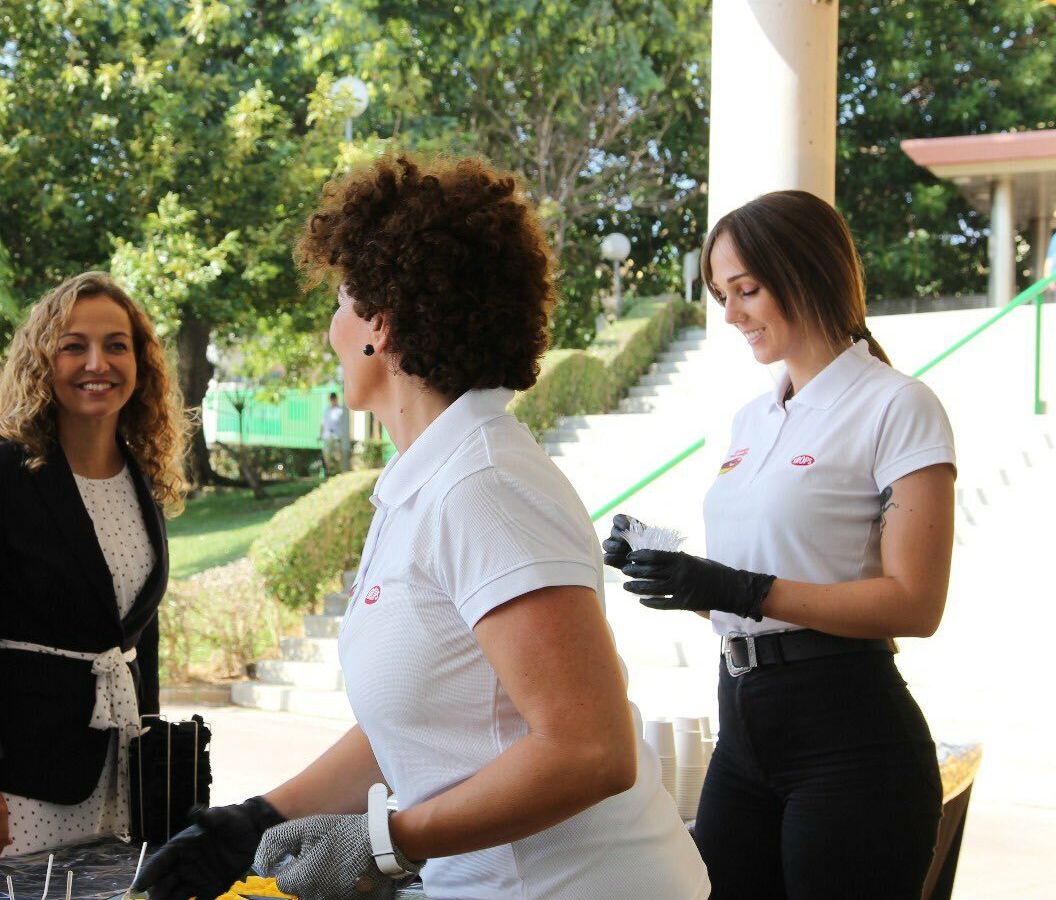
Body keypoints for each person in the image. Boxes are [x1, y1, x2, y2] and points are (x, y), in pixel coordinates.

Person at [137, 155, 707, 900]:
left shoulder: (485, 488)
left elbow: (590, 750)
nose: (329, 331)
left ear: (380, 323)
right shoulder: (427, 482)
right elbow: (421, 725)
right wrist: (254, 819)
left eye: (341, 302)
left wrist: (385, 843)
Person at [604, 189, 954, 899]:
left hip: (850, 741)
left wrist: (740, 587)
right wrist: (684, 583)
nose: (729, 314)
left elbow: (915, 604)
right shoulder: (753, 418)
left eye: (746, 290)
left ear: (808, 273)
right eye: (720, 294)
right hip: (743, 732)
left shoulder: (897, 404)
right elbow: (756, 596)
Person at [0, 272, 187, 865]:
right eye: (74, 345)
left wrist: (150, 756)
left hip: (120, 774)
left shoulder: (142, 480)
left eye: (116, 345)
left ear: (140, 361)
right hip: (18, 776)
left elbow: (135, 635)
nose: (97, 362)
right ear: (43, 359)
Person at [318, 391, 351, 476]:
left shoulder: (340, 410)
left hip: (337, 435)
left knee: (337, 454)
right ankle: (330, 471)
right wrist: (320, 435)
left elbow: (344, 424)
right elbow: (323, 423)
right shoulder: (327, 410)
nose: (333, 401)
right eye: (331, 399)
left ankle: (338, 471)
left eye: (334, 399)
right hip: (327, 435)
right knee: (327, 454)